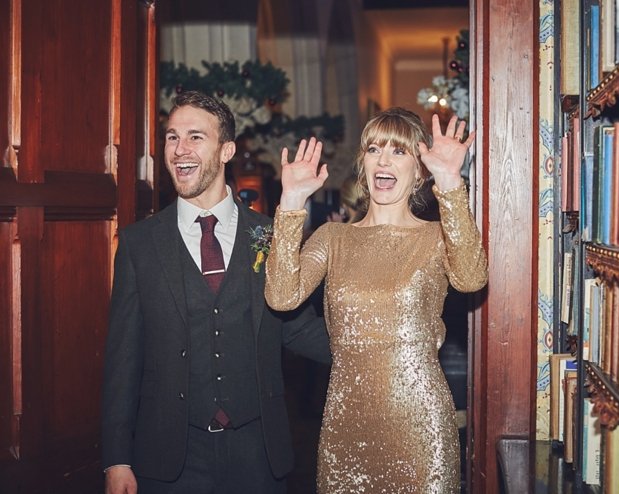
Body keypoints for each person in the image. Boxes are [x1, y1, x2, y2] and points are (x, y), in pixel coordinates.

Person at [101, 90, 330, 494]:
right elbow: (123, 358)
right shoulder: (139, 245)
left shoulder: (270, 235)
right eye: (172, 137)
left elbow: (297, 329)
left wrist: (386, 347)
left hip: (258, 456)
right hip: (170, 459)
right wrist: (117, 458)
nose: (179, 150)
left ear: (226, 150)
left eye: (194, 137)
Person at [265, 107, 488, 493]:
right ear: (363, 163)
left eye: (399, 151)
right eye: (373, 149)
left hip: (419, 429)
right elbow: (282, 297)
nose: (384, 159)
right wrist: (291, 203)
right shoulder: (334, 238)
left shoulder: (436, 237)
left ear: (420, 169)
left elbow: (471, 278)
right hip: (345, 427)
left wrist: (450, 181)